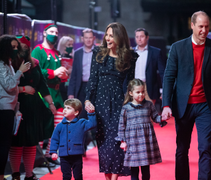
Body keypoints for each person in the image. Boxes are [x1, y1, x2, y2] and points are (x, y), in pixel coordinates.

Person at [161, 11, 211, 180]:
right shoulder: (178, 47)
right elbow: (169, 77)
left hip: (205, 106)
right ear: (192, 25)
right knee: (182, 149)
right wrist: (165, 105)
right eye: (200, 26)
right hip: (182, 106)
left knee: (206, 148)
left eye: (207, 27)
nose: (204, 30)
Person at [84, 22, 138, 180]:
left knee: (116, 142)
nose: (108, 38)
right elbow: (92, 79)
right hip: (100, 104)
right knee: (104, 144)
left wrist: (132, 105)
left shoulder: (130, 57)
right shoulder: (98, 54)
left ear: (119, 37)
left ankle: (114, 178)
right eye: (106, 35)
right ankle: (108, 177)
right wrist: (88, 99)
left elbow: (130, 83)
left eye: (111, 35)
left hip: (120, 104)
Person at [9, 35, 56, 180]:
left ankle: (29, 174)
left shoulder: (35, 63)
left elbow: (42, 85)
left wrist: (51, 103)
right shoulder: (10, 63)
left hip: (34, 107)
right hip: (17, 106)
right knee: (16, 143)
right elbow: (7, 85)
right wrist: (23, 89)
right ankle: (16, 174)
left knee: (31, 143)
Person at [31, 23, 69, 165]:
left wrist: (63, 75)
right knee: (42, 126)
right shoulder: (38, 51)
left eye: (56, 32)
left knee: (57, 126)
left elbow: (59, 74)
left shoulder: (57, 53)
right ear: (45, 33)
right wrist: (53, 73)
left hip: (57, 93)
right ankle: (37, 157)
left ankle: (50, 155)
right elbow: (35, 71)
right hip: (44, 93)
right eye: (51, 31)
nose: (54, 34)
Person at [115, 79, 164, 180]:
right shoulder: (126, 108)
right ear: (131, 93)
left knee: (146, 170)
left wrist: (162, 118)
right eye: (138, 92)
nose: (141, 95)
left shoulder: (149, 104)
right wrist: (122, 141)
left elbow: (155, 117)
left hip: (146, 142)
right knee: (134, 171)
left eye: (143, 92)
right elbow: (121, 125)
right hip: (132, 143)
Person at [0, 35, 31, 180]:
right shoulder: (1, 64)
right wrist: (20, 72)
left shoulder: (9, 64)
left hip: (10, 108)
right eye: (12, 47)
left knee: (6, 144)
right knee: (4, 144)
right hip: (3, 109)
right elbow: (10, 86)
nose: (15, 50)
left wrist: (16, 108)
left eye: (16, 47)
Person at [50, 98, 96, 180]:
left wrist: (91, 114)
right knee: (66, 176)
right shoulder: (60, 126)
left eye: (68, 108)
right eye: (65, 107)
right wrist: (53, 151)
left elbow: (92, 124)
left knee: (78, 175)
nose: (65, 110)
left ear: (76, 112)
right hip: (64, 156)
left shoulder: (81, 123)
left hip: (77, 155)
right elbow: (54, 139)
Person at [68, 28, 96, 119]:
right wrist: (71, 93)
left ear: (94, 38)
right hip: (81, 88)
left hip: (95, 87)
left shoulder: (99, 52)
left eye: (90, 38)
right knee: (81, 115)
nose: (88, 40)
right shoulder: (78, 53)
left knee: (95, 114)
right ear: (82, 39)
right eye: (86, 38)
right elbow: (74, 75)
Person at [133, 28, 165, 104]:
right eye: (137, 37)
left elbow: (162, 73)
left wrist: (165, 90)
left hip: (149, 87)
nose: (139, 39)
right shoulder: (131, 52)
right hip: (134, 85)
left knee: (148, 113)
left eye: (141, 36)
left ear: (147, 37)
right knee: (134, 113)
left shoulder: (156, 52)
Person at [57, 36, 74, 101]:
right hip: (60, 86)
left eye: (72, 45)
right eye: (69, 45)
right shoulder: (58, 58)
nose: (71, 47)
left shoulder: (74, 57)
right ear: (63, 46)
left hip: (70, 87)